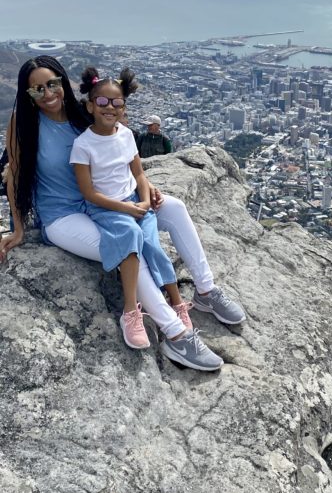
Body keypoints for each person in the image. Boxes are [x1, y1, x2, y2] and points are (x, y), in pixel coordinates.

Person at [1, 56, 246, 373]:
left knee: (174, 207)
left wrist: (146, 185)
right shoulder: (25, 123)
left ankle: (206, 290)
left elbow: (119, 155)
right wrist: (18, 229)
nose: (47, 93)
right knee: (129, 245)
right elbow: (14, 175)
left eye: (52, 84)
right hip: (63, 216)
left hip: (110, 200)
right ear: (28, 94)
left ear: (63, 82)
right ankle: (176, 333)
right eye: (36, 89)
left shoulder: (84, 113)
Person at [71, 66, 193, 353]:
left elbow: (138, 174)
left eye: (117, 103)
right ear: (90, 105)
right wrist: (126, 208)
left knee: (153, 245)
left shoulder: (126, 135)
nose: (109, 108)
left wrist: (145, 200)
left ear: (124, 106)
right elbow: (88, 193)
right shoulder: (82, 145)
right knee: (130, 239)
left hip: (134, 202)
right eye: (102, 102)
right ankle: (130, 311)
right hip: (106, 209)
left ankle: (177, 304)